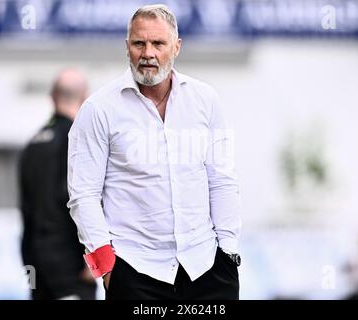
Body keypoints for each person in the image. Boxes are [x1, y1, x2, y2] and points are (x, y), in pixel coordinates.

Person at [67, 4, 242, 300]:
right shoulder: (98, 110)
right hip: (134, 272)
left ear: (176, 47)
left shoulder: (205, 100)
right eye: (139, 43)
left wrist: (229, 252)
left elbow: (222, 180)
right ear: (127, 48)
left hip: (207, 269)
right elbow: (83, 195)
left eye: (158, 43)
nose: (148, 53)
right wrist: (108, 271)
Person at [19, 68, 97, 300]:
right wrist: (91, 256)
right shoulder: (77, 140)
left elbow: (27, 209)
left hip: (35, 264)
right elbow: (75, 200)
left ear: (52, 97)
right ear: (84, 97)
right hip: (70, 266)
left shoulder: (33, 144)